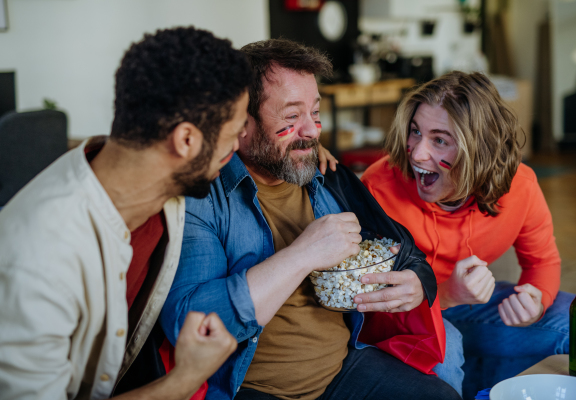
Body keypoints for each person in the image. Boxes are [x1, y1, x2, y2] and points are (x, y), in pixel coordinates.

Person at [159, 38, 462, 400]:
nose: (312, 131)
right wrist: (302, 255)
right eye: (291, 116)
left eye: (315, 114)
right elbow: (189, 325)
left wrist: (417, 281)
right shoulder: (202, 198)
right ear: (239, 123)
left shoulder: (329, 177)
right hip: (254, 388)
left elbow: (404, 251)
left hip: (346, 369)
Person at [0, 27, 253, 399]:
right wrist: (184, 379)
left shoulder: (153, 180)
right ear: (185, 140)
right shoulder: (38, 261)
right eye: (235, 132)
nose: (239, 144)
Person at [361, 71, 573, 398]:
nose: (416, 153)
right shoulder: (379, 188)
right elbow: (371, 311)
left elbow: (543, 261)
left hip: (471, 310)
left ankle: (475, 382)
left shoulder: (521, 186)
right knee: (445, 352)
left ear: (479, 148)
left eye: (440, 139)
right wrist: (446, 292)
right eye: (415, 132)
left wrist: (535, 300)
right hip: (406, 322)